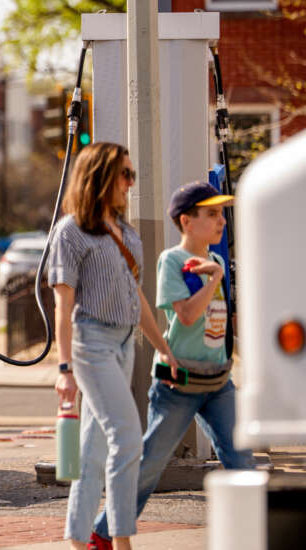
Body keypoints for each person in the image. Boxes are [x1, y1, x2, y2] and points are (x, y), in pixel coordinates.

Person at [87, 181, 256, 550]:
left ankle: (258, 533)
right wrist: (213, 278)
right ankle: (101, 535)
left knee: (242, 459)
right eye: (211, 214)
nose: (221, 221)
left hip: (219, 382)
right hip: (179, 385)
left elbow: (222, 322)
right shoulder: (174, 261)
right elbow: (189, 315)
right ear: (186, 221)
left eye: (221, 214)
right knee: (150, 464)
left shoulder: (220, 261)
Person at [49, 142, 177, 550]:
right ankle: (120, 541)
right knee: (127, 438)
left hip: (124, 343)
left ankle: (78, 538)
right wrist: (64, 368)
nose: (130, 183)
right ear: (101, 175)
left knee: (93, 450)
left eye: (131, 174)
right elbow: (63, 304)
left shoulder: (126, 231)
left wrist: (162, 346)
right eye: (125, 174)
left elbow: (136, 295)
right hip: (92, 342)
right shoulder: (70, 231)